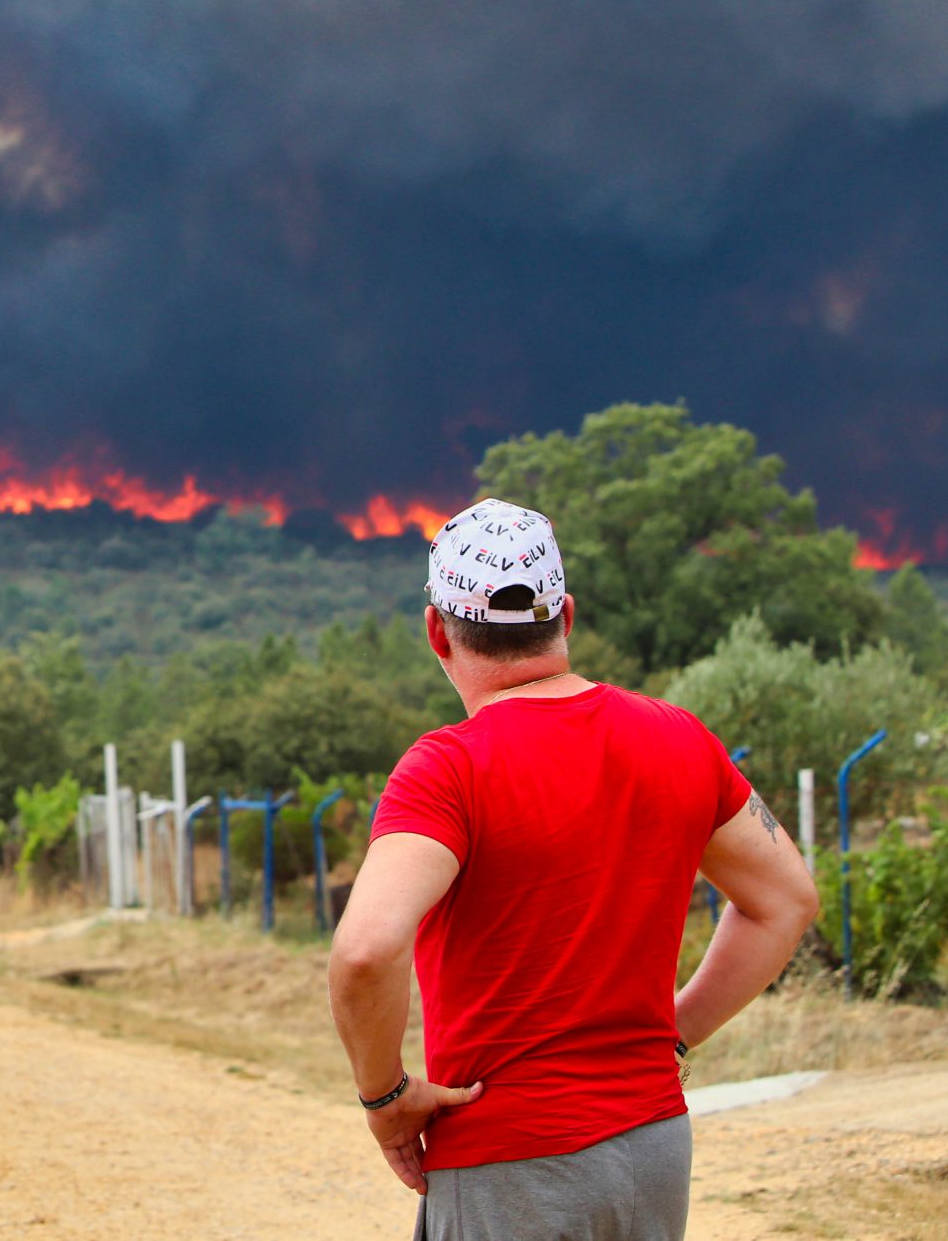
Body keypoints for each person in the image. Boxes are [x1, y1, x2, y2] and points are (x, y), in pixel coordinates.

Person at [328, 499, 820, 1239]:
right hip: (653, 1147)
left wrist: (385, 1096)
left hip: (510, 1160)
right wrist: (673, 1034)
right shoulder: (678, 738)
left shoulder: (448, 769)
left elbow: (366, 951)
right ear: (566, 616)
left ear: (438, 629)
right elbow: (787, 900)